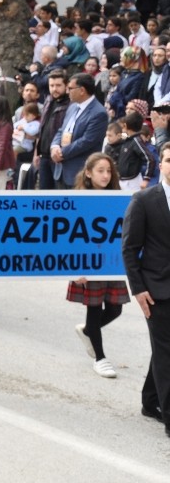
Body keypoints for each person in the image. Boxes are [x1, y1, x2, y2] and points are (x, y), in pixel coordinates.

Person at [121, 142, 170, 440]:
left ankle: (150, 401)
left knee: (164, 349)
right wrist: (138, 290)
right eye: (168, 159)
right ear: (160, 164)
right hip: (157, 290)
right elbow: (129, 249)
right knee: (167, 352)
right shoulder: (144, 200)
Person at [65, 153, 129, 379]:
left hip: (110, 262)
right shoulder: (79, 198)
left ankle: (87, 331)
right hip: (88, 262)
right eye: (100, 170)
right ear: (89, 173)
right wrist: (75, 268)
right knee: (94, 307)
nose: (105, 175)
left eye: (109, 171)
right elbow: (70, 235)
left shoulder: (119, 197)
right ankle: (100, 358)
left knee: (115, 308)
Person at [50, 72, 108, 188]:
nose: (67, 92)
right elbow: (62, 130)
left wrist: (62, 153)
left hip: (79, 171)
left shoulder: (98, 113)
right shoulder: (72, 107)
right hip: (61, 170)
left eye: (70, 88)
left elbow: (87, 141)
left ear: (82, 90)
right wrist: (54, 147)